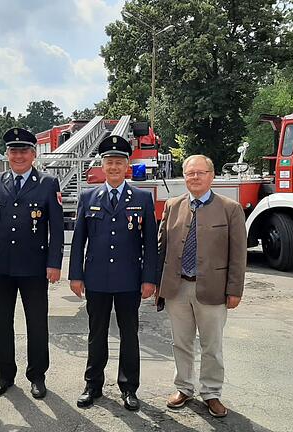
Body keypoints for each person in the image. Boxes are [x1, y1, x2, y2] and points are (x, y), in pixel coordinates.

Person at [68, 135, 157, 411]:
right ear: (102, 166)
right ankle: (92, 384)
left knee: (129, 334)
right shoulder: (88, 196)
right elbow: (79, 239)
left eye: (119, 162)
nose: (114, 167)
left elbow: (150, 243)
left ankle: (129, 387)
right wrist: (75, 275)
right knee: (96, 334)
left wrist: (149, 278)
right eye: (109, 162)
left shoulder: (142, 198)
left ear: (127, 166)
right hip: (96, 278)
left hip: (130, 279)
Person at [0, 127, 64, 399]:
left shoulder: (48, 183)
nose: (18, 155)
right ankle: (4, 374)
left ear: (33, 154)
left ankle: (37, 375)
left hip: (35, 267)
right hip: (3, 266)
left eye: (24, 150)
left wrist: (54, 263)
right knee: (2, 322)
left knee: (36, 323)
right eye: (13, 151)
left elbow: (57, 229)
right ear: (6, 154)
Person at [156, 155, 246, 417]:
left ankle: (212, 393)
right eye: (190, 173)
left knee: (211, 346)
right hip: (177, 287)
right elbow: (162, 249)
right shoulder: (173, 206)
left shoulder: (230, 208)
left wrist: (234, 290)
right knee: (180, 343)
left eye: (200, 173)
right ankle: (183, 387)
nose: (195, 177)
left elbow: (238, 254)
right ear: (184, 177)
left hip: (213, 290)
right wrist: (158, 285)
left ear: (212, 175)